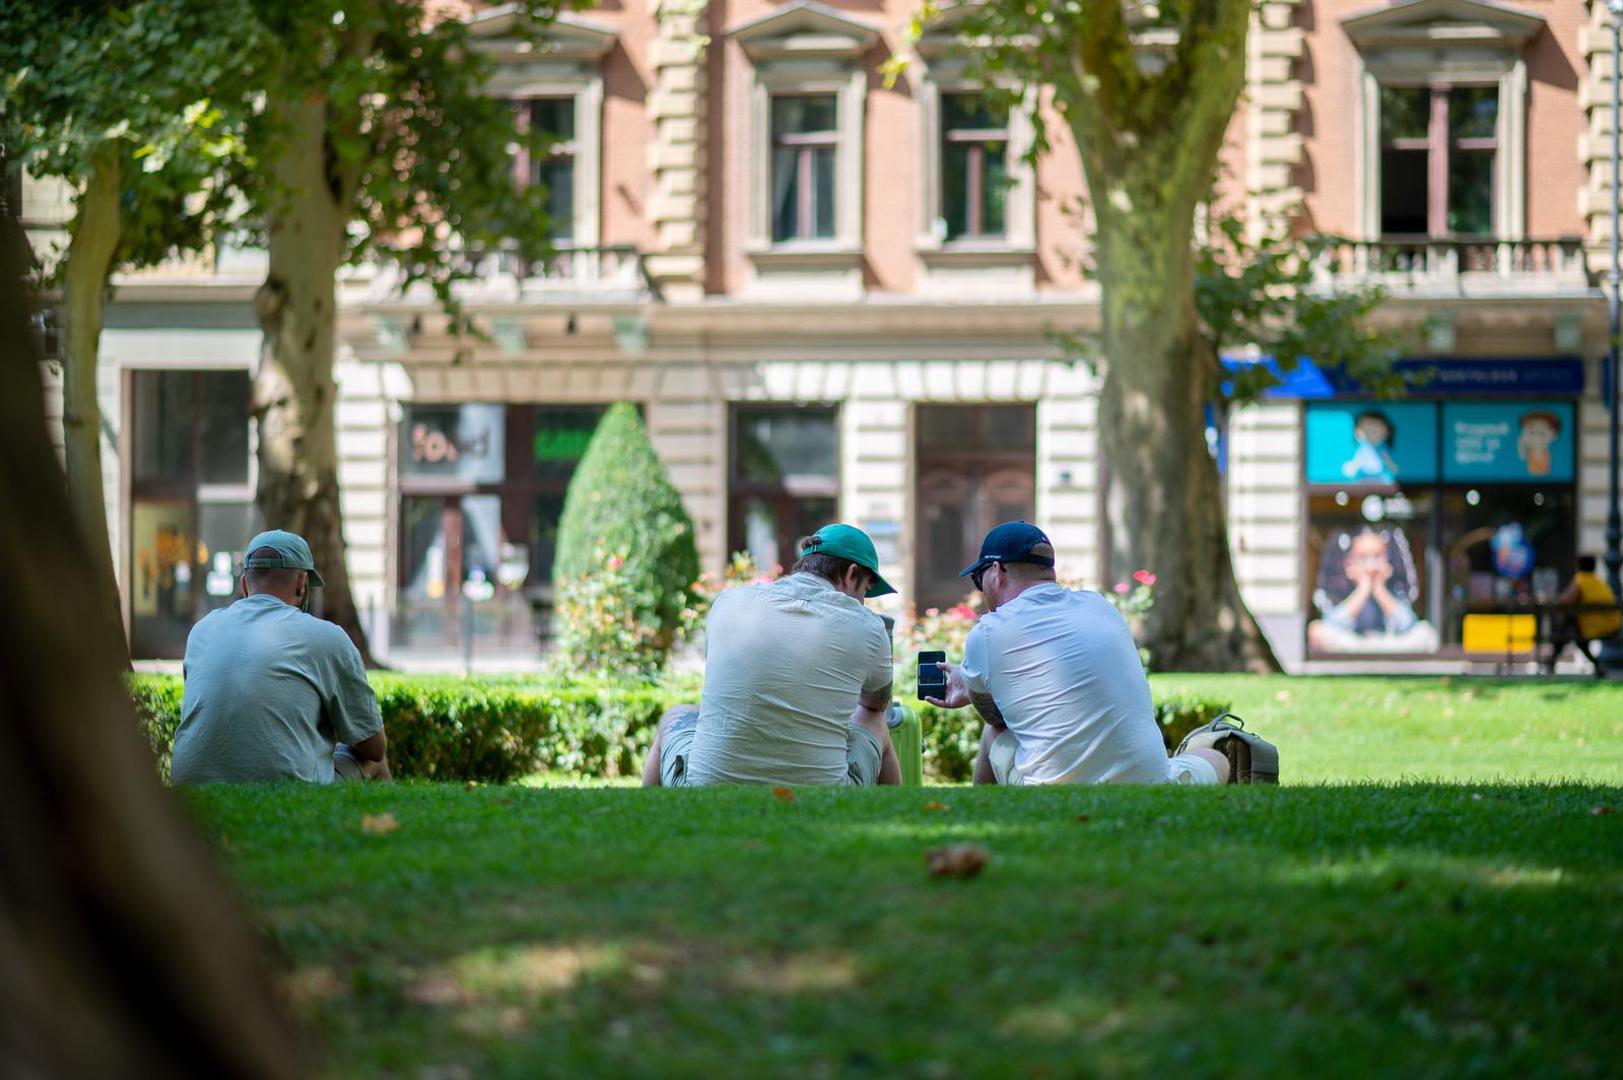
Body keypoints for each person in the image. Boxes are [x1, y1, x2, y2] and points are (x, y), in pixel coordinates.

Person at [924, 521, 1245, 786]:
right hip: (1152, 784)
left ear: (996, 572)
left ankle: (982, 814)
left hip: (1050, 792)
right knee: (1215, 758)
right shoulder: (1100, 606)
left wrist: (970, 686)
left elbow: (997, 719)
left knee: (994, 734)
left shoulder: (987, 632)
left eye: (979, 580)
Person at [642, 523, 903, 787]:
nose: (863, 602)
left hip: (705, 790)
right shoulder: (867, 625)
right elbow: (875, 704)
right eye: (865, 591)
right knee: (874, 722)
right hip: (824, 793)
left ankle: (647, 821)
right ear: (851, 573)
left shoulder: (728, 602)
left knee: (677, 715)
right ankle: (899, 816)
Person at [170, 530, 390, 785]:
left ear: (244, 584)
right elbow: (374, 747)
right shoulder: (328, 637)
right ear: (302, 583)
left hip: (191, 790)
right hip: (290, 788)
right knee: (374, 760)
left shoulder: (202, 630)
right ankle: (386, 821)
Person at [1546, 555, 1621, 676]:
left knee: (1567, 629)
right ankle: (1596, 665)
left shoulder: (1581, 580)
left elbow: (1564, 601)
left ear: (1578, 566)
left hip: (1593, 626)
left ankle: (1552, 660)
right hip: (1612, 625)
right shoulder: (1599, 581)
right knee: (1571, 631)